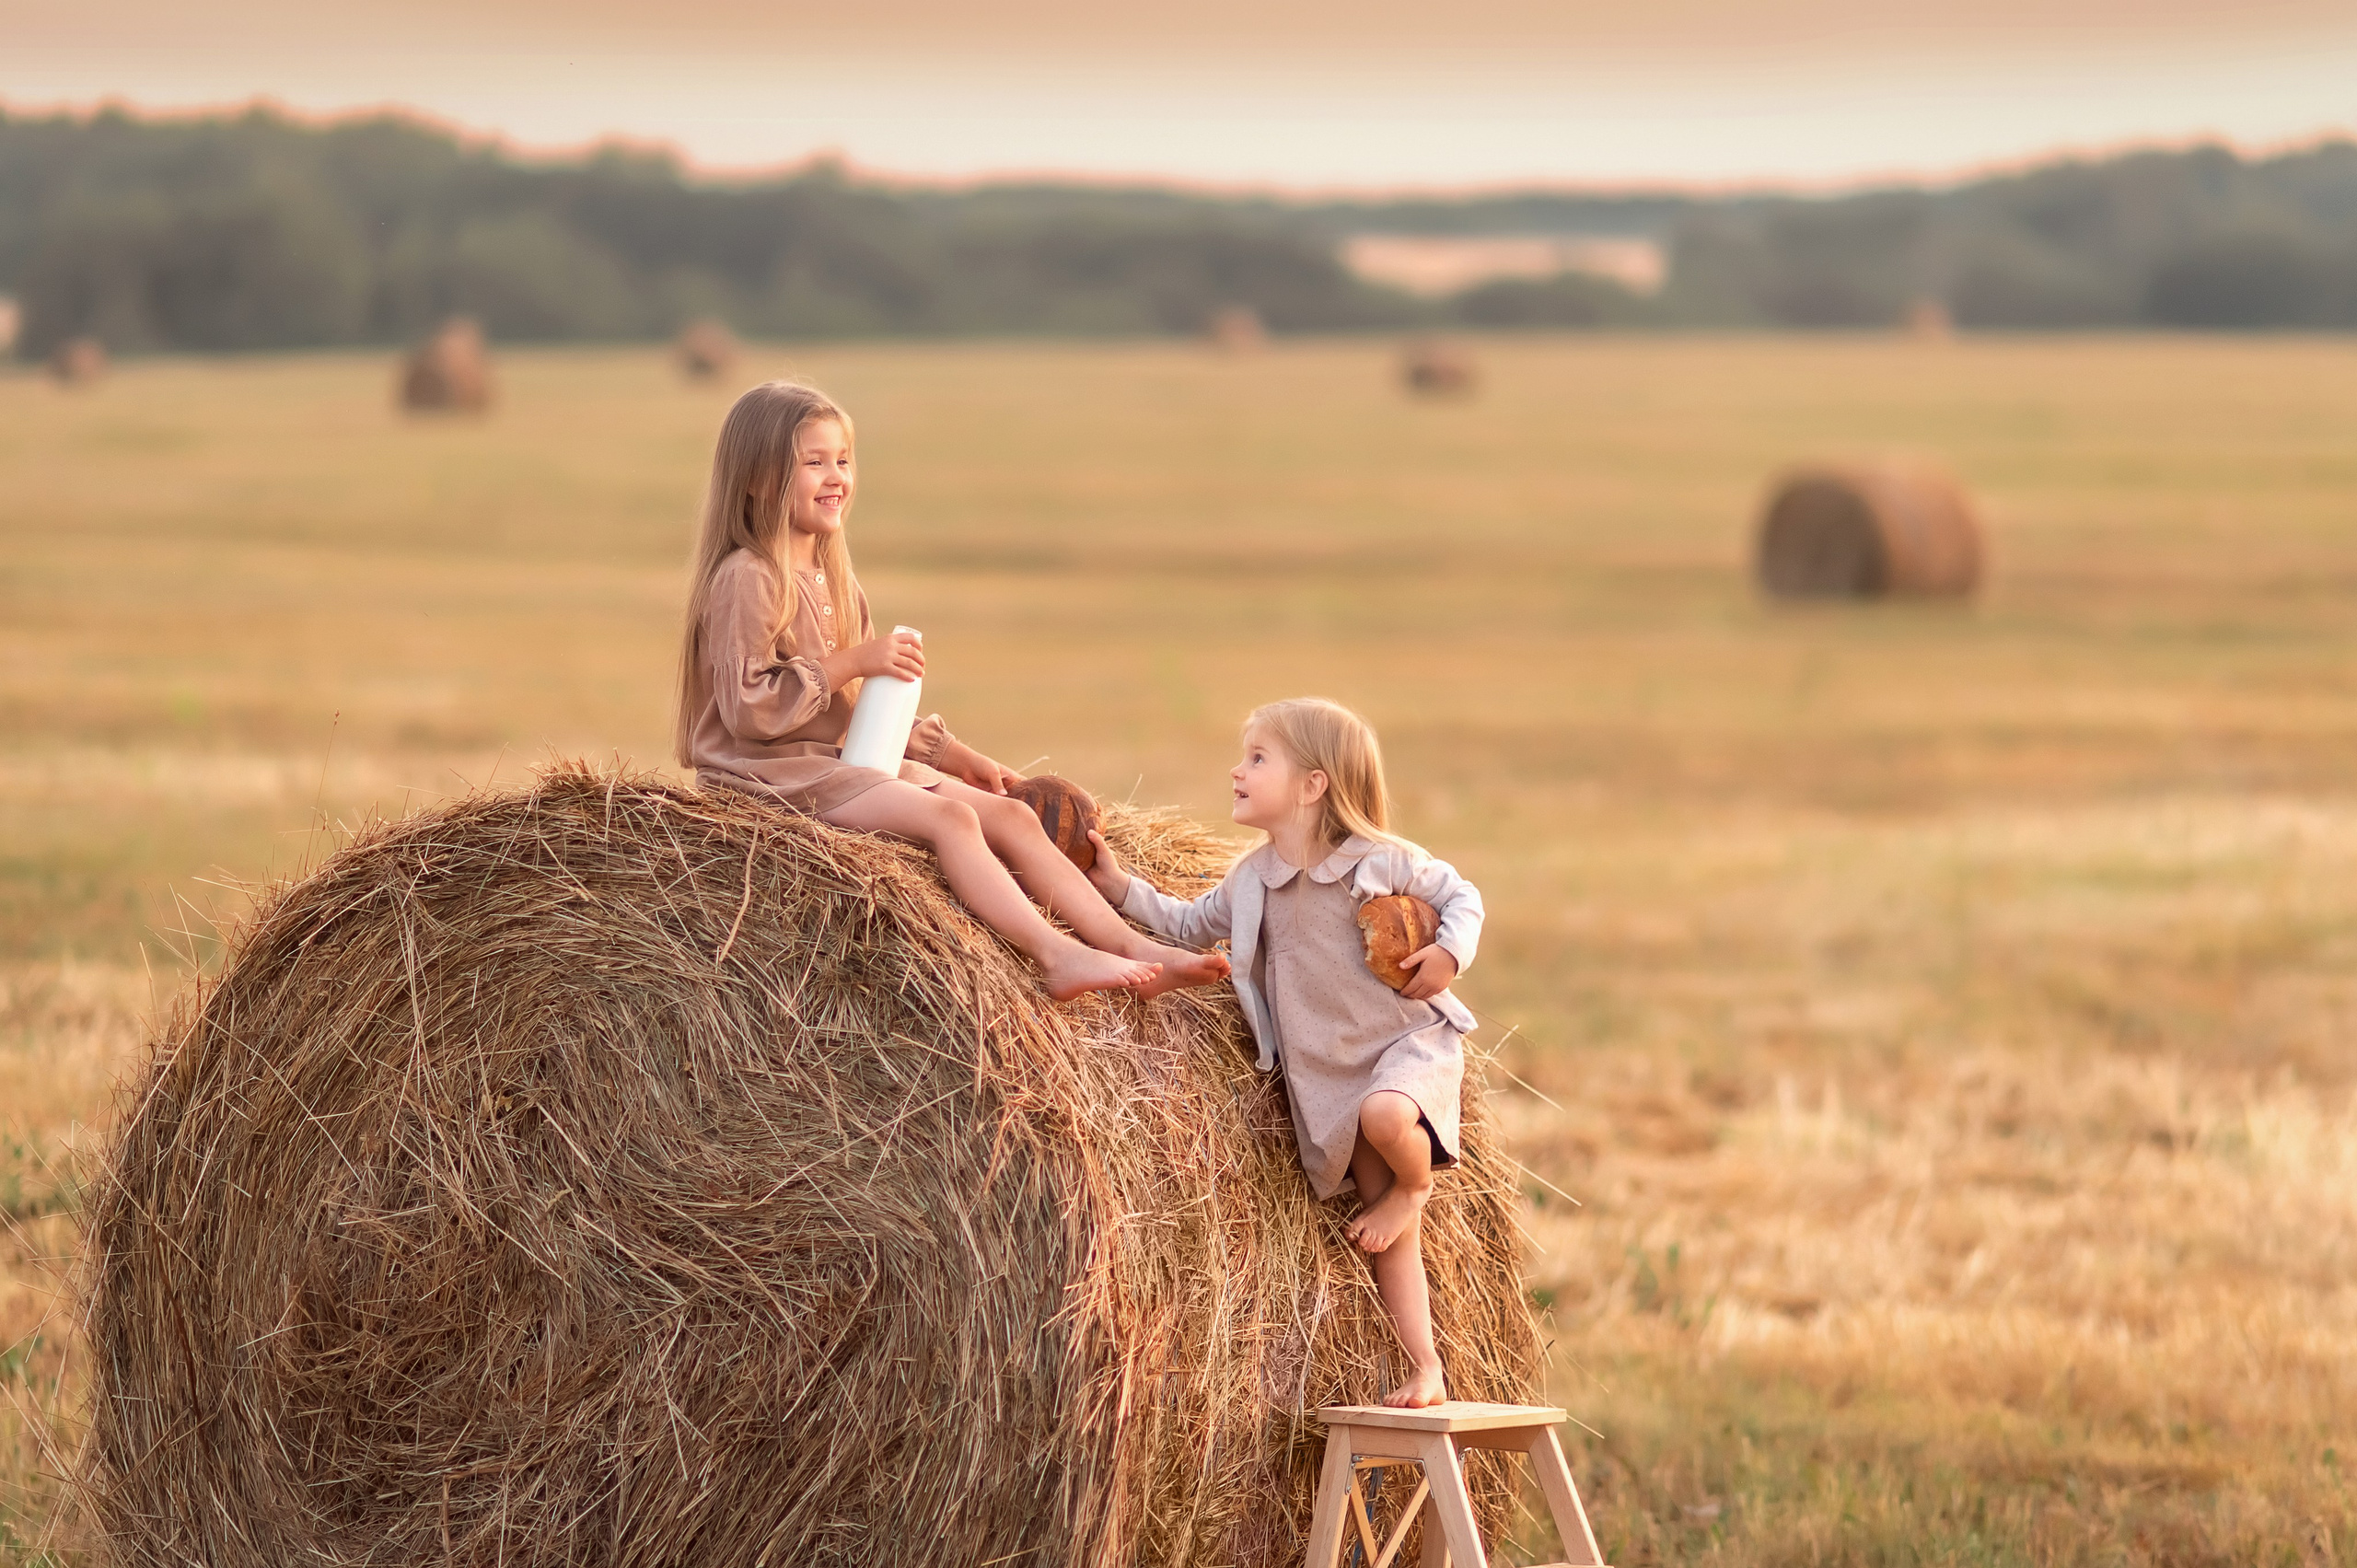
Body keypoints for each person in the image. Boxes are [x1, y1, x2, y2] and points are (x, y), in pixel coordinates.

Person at [677, 379, 1228, 1002]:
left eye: (843, 460)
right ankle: (1057, 956)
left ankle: (1136, 948)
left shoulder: (834, 578)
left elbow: (852, 716)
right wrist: (854, 659)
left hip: (829, 765)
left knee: (1014, 815)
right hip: (767, 779)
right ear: (754, 478)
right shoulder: (747, 577)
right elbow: (749, 708)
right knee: (952, 818)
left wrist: (951, 754)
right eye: (813, 462)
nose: (835, 477)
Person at [1085, 697, 1483, 1408]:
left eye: (1258, 758)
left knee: (1390, 1119)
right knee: (1388, 1235)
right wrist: (1115, 886)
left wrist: (1449, 953)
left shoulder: (1378, 860)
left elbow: (1463, 896)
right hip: (1328, 1073)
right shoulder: (1250, 882)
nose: (1237, 770)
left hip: (1402, 1044)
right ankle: (1426, 1364)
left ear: (1313, 784)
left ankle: (1416, 1186)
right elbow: (1183, 921)